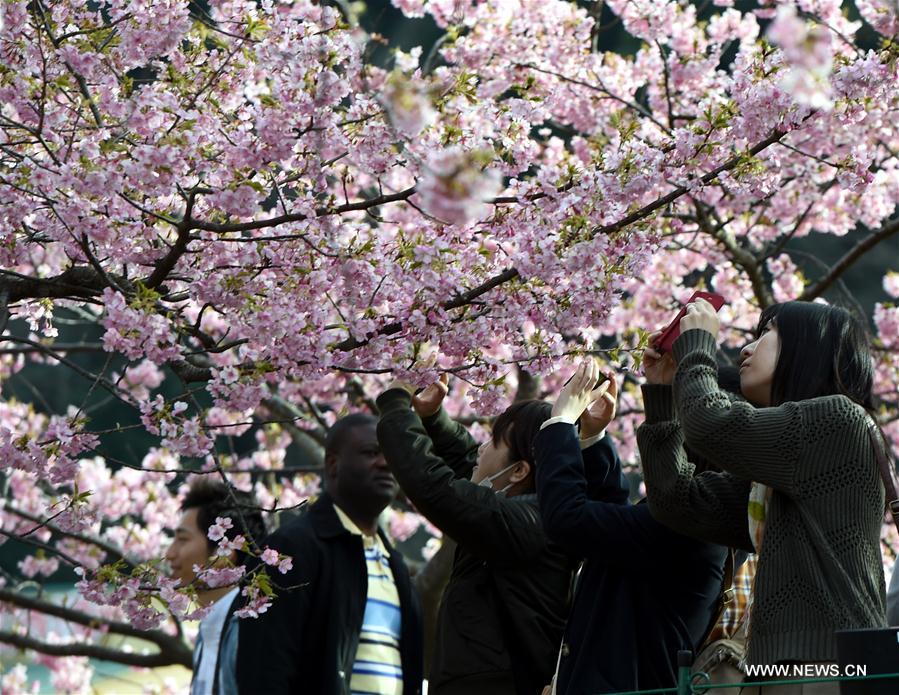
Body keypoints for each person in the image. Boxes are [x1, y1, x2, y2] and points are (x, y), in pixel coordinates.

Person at [638, 299, 886, 694]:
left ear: (807, 348)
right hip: (780, 666)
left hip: (827, 666)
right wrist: (662, 395)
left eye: (766, 333)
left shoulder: (838, 420)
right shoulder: (782, 471)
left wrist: (698, 347)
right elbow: (676, 501)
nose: (745, 349)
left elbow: (709, 424)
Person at [533, 361, 727, 694]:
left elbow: (568, 518)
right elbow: (615, 524)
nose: (655, 435)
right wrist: (592, 438)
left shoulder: (689, 522)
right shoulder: (690, 517)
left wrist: (561, 423)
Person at [376, 375, 577, 695]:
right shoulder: (535, 511)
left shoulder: (525, 522)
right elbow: (469, 466)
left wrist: (396, 404)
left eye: (494, 441)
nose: (482, 447)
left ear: (520, 471)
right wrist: (433, 419)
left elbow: (437, 489)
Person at [235, 413, 423, 695]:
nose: (386, 463)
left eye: (391, 455)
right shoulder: (288, 550)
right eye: (371, 453)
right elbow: (264, 669)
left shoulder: (394, 563)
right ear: (333, 464)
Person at [165, 477, 266, 695]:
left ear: (224, 553)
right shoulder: (207, 629)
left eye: (182, 540)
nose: (169, 554)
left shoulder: (249, 633)